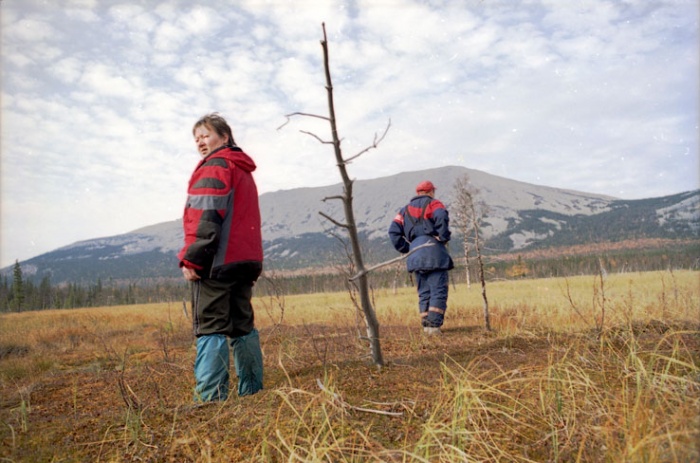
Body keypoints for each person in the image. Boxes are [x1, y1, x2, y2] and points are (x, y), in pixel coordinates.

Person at [178, 113, 264, 402]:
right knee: (242, 325)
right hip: (245, 261)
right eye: (197, 138)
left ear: (224, 136)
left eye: (206, 135)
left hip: (217, 263)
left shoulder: (215, 166)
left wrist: (193, 259)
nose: (201, 142)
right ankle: (253, 392)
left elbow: (206, 216)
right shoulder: (243, 169)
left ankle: (211, 401)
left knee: (211, 327)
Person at [388, 180, 454, 335]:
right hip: (434, 251)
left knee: (424, 291)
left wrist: (407, 248)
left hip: (415, 254)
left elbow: (393, 232)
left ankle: (426, 326)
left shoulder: (404, 211)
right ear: (430, 192)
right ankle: (434, 327)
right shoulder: (434, 204)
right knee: (438, 290)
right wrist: (443, 237)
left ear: (418, 193)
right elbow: (441, 216)